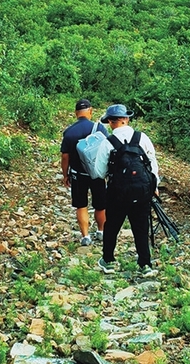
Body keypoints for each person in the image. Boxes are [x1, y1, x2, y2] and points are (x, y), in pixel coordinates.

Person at [99, 104, 159, 278]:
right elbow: (152, 165)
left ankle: (108, 261)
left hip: (117, 193)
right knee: (141, 227)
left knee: (112, 226)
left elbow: (98, 172)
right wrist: (153, 186)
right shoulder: (142, 138)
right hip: (142, 191)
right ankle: (145, 264)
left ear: (110, 122)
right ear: (127, 119)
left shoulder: (108, 142)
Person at [60, 98, 108, 246]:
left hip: (77, 174)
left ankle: (86, 236)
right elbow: (107, 150)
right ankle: (101, 231)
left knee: (81, 205)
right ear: (90, 111)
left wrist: (65, 174)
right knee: (100, 205)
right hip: (97, 173)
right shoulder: (99, 128)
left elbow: (64, 156)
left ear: (76, 113)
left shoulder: (69, 132)